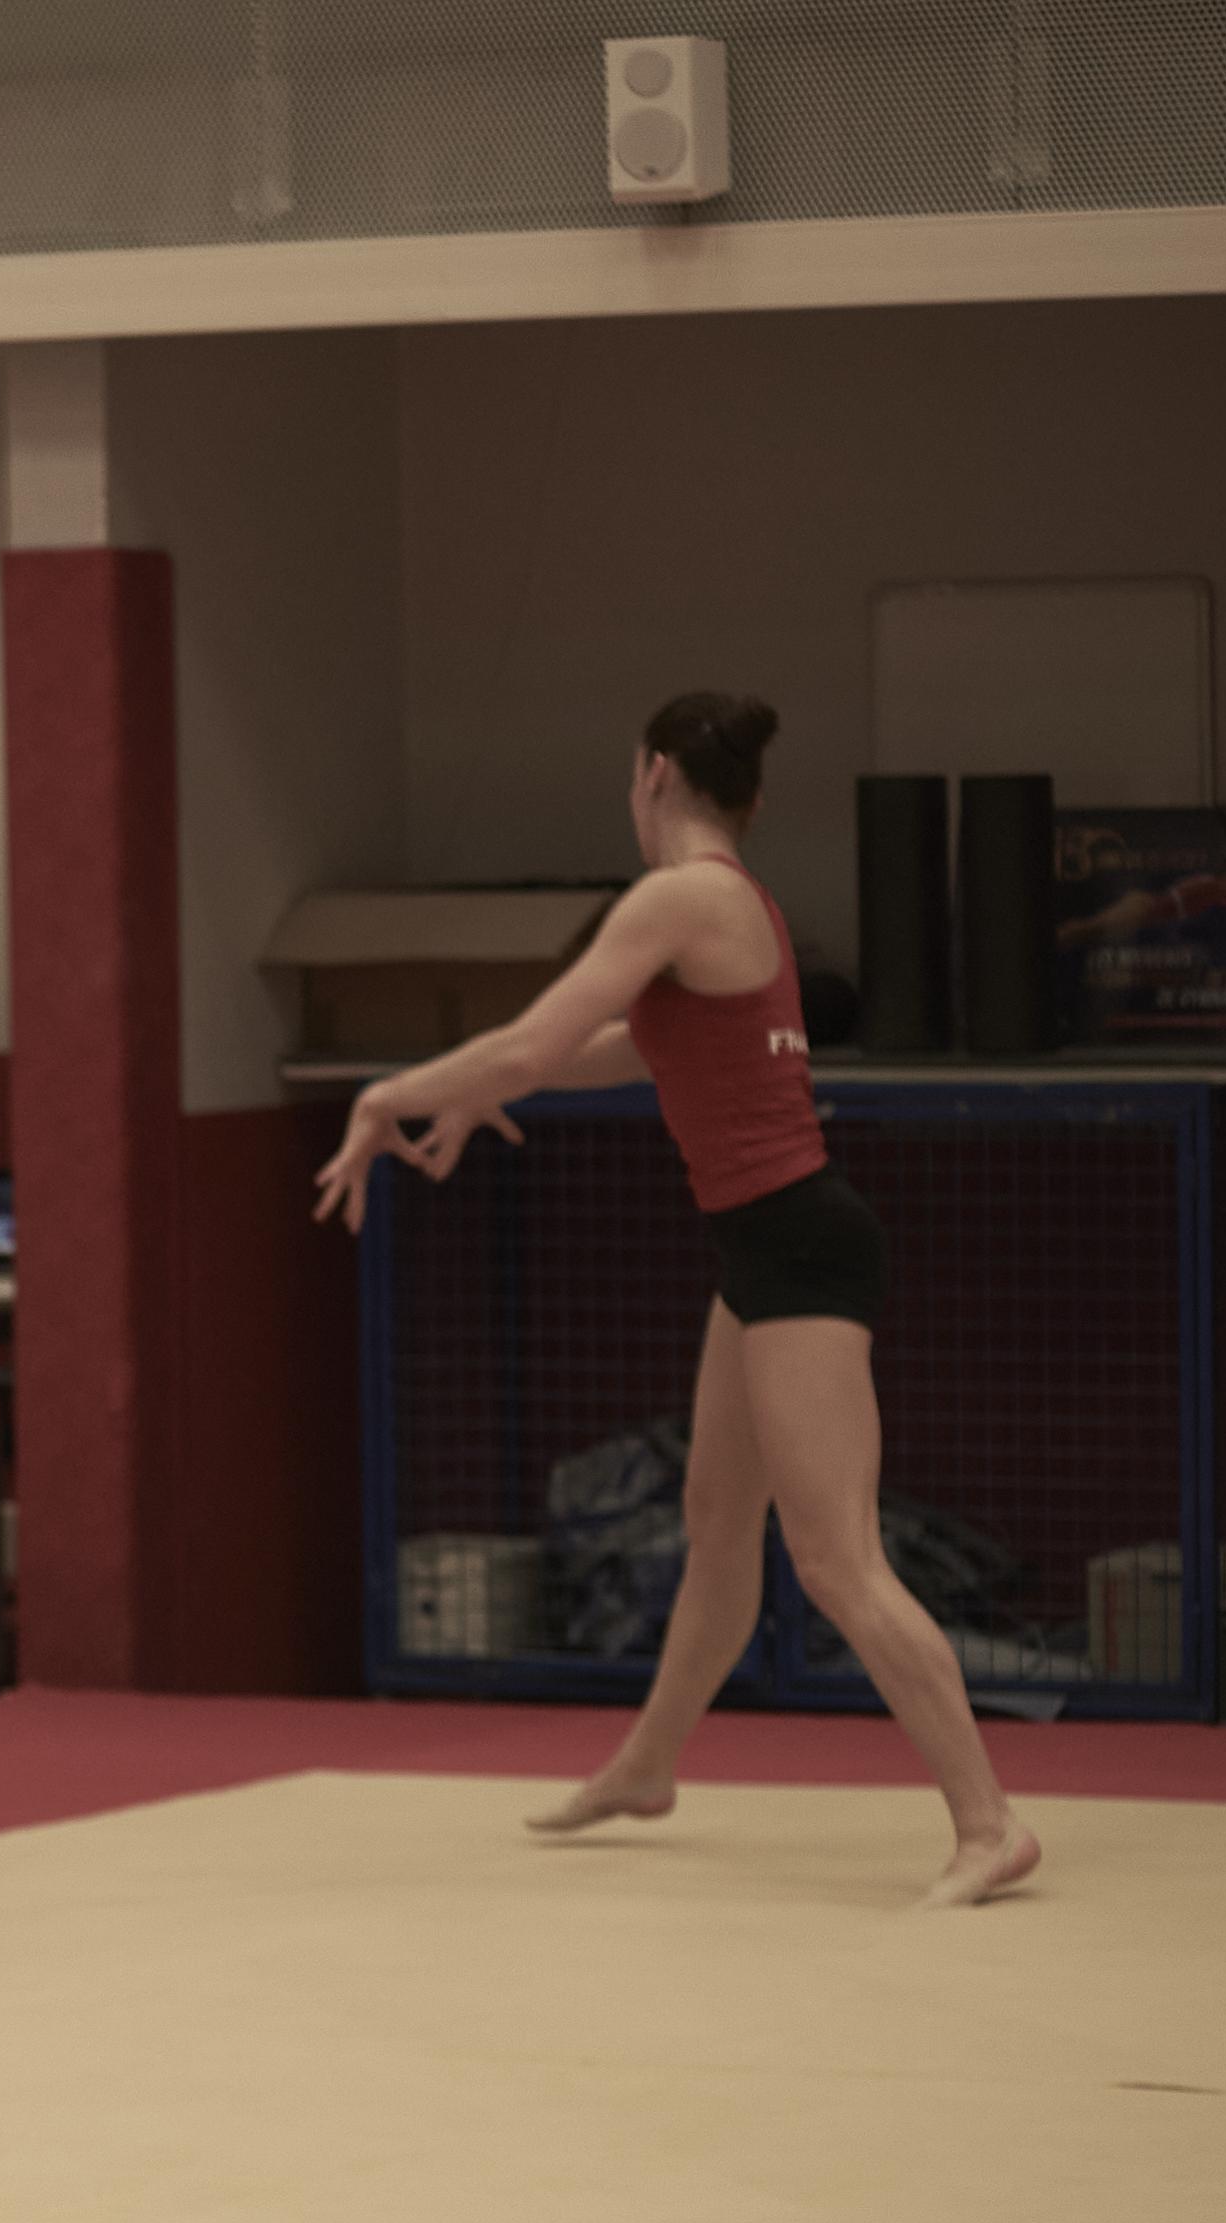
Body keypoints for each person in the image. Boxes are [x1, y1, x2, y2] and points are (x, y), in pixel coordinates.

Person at [313, 694, 1039, 1909]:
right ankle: (648, 1766)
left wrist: (394, 1091)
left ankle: (988, 1823)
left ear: (651, 774)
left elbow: (535, 1039)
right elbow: (624, 1049)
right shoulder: (730, 903)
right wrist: (491, 1086)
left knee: (836, 1560)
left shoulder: (680, 897)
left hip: (797, 1252)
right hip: (762, 1252)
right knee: (717, 1520)